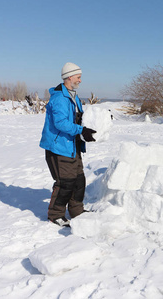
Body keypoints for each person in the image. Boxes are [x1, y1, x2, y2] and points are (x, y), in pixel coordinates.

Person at [39, 62, 97, 227]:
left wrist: (95, 125)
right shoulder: (59, 98)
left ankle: (76, 211)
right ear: (70, 77)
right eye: (78, 77)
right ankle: (55, 214)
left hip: (73, 146)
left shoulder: (73, 96)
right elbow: (61, 123)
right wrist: (81, 129)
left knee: (79, 181)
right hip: (59, 147)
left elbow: (80, 119)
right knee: (65, 183)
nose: (80, 80)